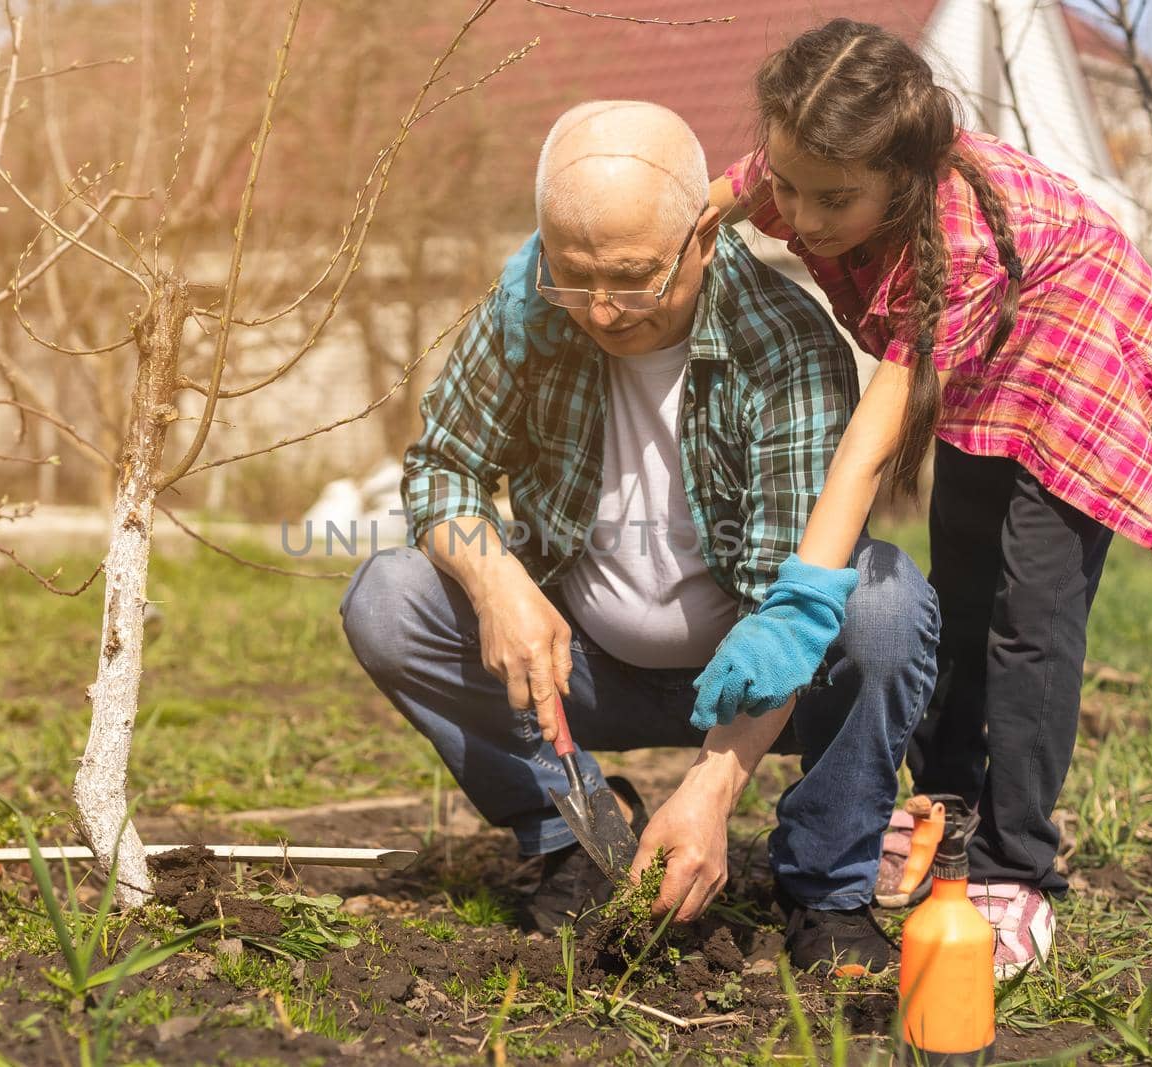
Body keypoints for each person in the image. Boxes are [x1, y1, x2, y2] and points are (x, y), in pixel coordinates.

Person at [340, 100, 939, 975]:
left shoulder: (785, 342)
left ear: (700, 235)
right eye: (574, 277)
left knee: (885, 603)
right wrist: (495, 580)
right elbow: (442, 467)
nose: (605, 312)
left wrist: (712, 789)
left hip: (764, 678)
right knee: (387, 600)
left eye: (630, 278)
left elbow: (795, 604)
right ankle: (569, 832)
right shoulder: (531, 308)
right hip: (583, 671)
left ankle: (824, 887)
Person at [705, 20, 1152, 977]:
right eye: (790, 184)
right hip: (990, 355)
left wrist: (804, 599)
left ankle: (1018, 868)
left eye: (834, 199)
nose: (803, 217)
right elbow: (734, 186)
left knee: (1030, 616)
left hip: (1070, 338)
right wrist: (678, 220)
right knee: (958, 586)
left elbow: (870, 439)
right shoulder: (817, 160)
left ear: (904, 174)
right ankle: (944, 806)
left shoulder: (959, 239)